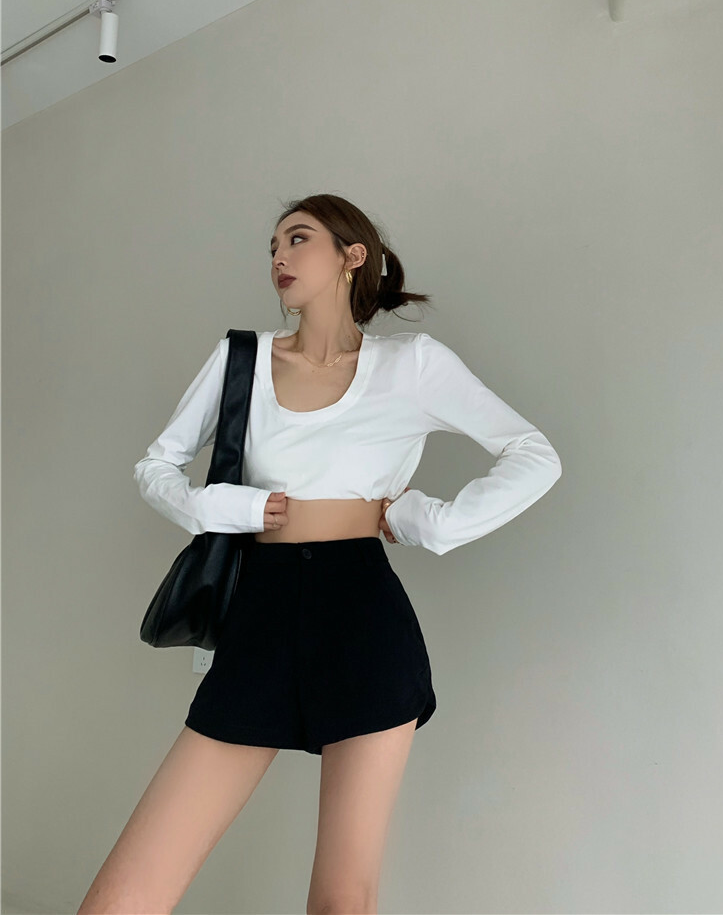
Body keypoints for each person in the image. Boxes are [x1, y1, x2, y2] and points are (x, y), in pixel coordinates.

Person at [76, 193, 562, 915]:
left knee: (342, 901)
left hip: (362, 614)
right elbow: (157, 466)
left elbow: (533, 454)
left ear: (351, 255)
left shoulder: (412, 365)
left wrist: (431, 522)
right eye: (272, 246)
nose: (279, 256)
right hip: (260, 612)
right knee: (124, 898)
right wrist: (225, 508)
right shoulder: (241, 359)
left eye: (297, 239)